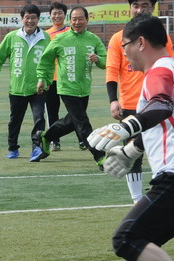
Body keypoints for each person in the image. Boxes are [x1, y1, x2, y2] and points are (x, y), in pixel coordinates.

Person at [87, 14, 174, 261]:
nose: (124, 54)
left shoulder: (161, 69)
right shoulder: (170, 70)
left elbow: (161, 106)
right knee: (140, 246)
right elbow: (164, 122)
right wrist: (131, 150)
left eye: (126, 46)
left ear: (141, 43)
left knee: (127, 238)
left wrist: (126, 127)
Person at [105, 0, 174, 204]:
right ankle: (137, 199)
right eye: (135, 5)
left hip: (157, 102)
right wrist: (113, 100)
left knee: (160, 147)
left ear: (152, 7)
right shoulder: (118, 38)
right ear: (130, 8)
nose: (139, 9)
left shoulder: (163, 38)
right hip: (130, 103)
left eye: (144, 5)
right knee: (133, 150)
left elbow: (168, 67)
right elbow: (111, 69)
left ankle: (159, 191)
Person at [31, 6, 106, 168]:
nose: (77, 22)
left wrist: (98, 59)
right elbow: (45, 60)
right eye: (74, 19)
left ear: (87, 20)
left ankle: (45, 136)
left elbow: (106, 62)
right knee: (82, 122)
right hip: (66, 87)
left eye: (80, 19)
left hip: (84, 87)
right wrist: (42, 78)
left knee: (72, 121)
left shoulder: (93, 39)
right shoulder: (60, 39)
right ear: (70, 20)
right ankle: (100, 156)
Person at [0, 4, 50, 160]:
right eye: (27, 17)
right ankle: (12, 148)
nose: (30, 21)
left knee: (39, 119)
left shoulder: (45, 38)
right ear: (22, 19)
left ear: (39, 19)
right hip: (17, 87)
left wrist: (45, 81)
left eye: (33, 17)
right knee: (15, 121)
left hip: (39, 88)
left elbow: (50, 63)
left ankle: (37, 148)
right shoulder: (12, 37)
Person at [45, 2, 69, 152]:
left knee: (74, 111)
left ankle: (82, 139)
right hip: (51, 79)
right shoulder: (46, 35)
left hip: (67, 78)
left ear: (64, 15)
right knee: (52, 112)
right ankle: (55, 140)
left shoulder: (70, 32)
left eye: (59, 13)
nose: (57, 16)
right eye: (54, 13)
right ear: (50, 15)